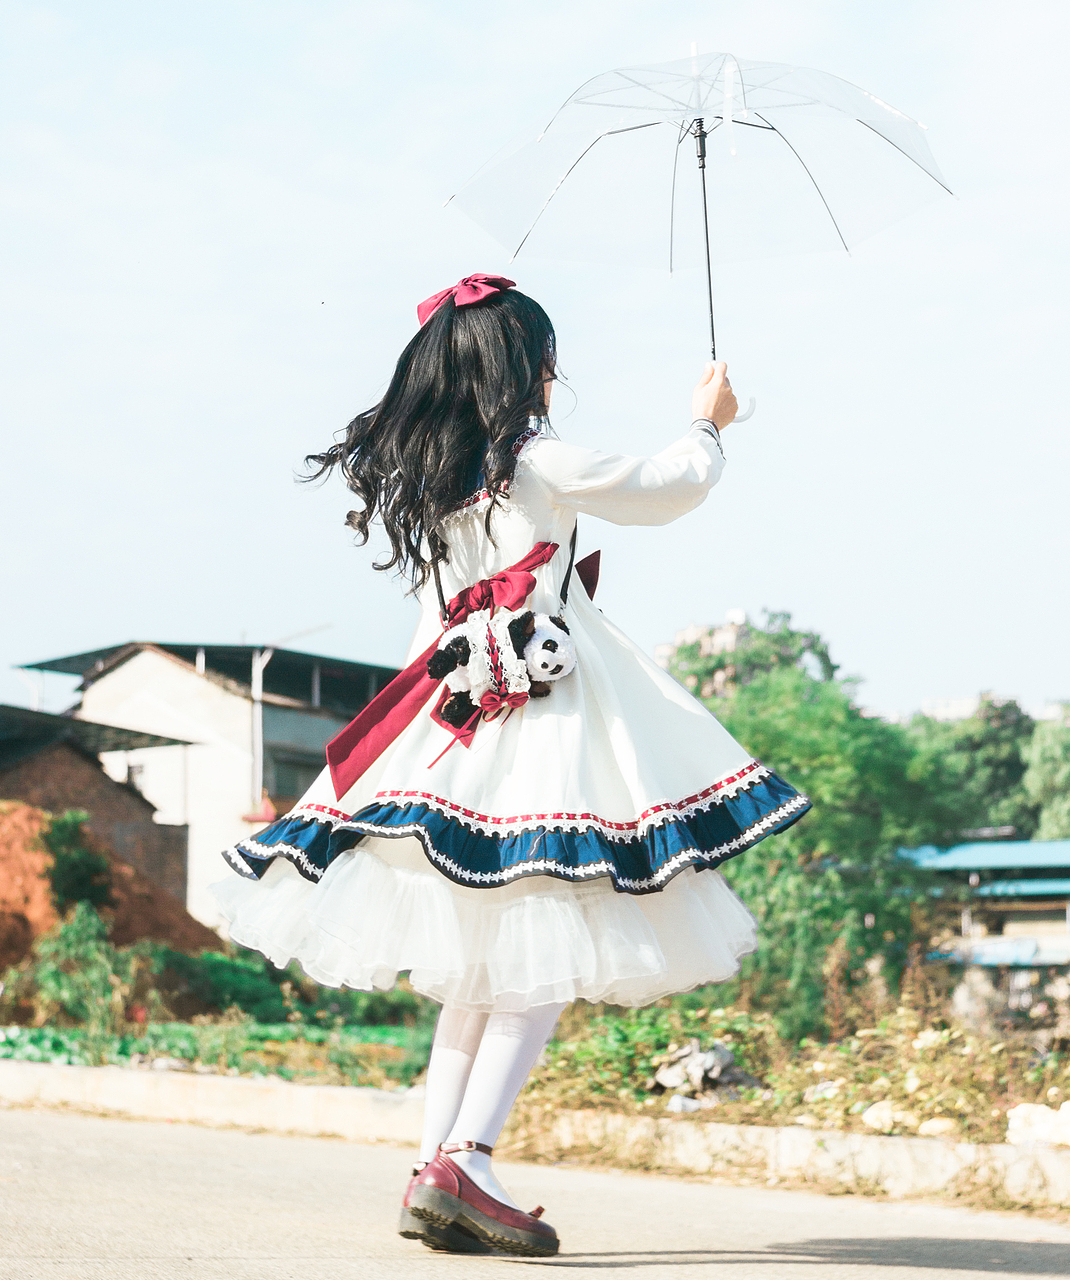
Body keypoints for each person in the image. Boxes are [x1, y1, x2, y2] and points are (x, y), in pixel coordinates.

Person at [213, 274, 810, 1257]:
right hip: (546, 712)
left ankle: (435, 1164)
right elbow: (667, 488)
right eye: (542, 354)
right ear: (518, 367)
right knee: (543, 937)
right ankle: (469, 1158)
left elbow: (431, 623)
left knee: (484, 961)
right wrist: (709, 422)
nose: (549, 370)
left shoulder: (434, 477)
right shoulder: (534, 458)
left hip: (452, 713)